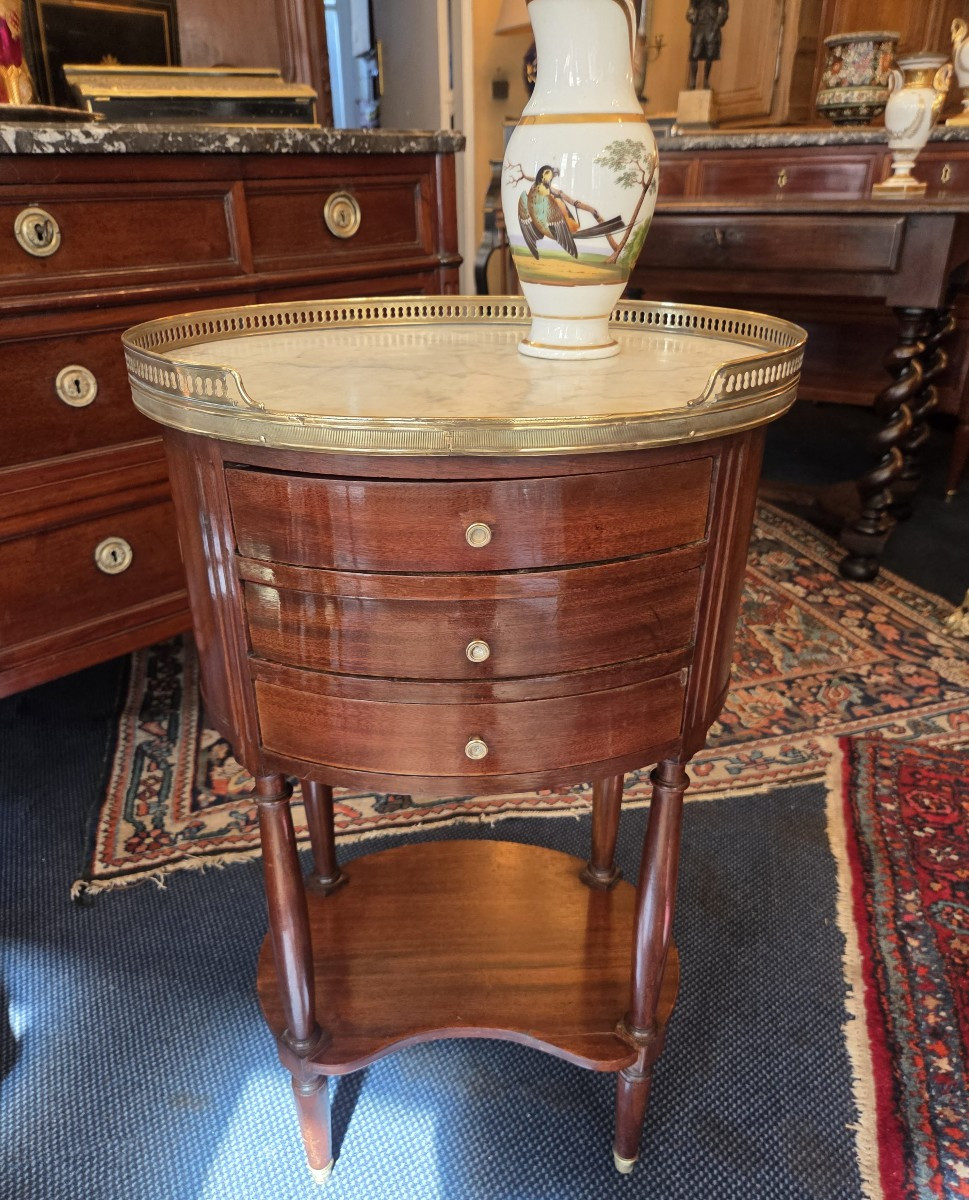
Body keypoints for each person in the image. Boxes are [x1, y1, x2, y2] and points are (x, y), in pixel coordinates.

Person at [687, 0, 729, 90]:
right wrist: (691, 16)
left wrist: (718, 22)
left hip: (712, 24)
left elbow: (725, 8)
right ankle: (693, 81)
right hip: (699, 24)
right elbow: (692, 7)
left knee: (709, 54)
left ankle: (706, 80)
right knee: (694, 54)